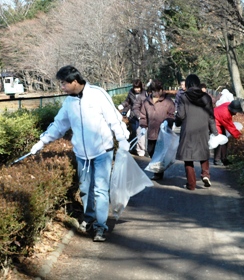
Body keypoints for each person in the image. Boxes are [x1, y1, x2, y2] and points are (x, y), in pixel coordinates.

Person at [30, 65, 130, 242]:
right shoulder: (69, 102)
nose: (61, 87)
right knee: (85, 188)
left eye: (63, 83)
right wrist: (43, 141)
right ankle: (89, 218)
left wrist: (122, 139)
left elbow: (113, 118)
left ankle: (100, 226)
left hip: (102, 151)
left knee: (100, 189)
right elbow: (59, 124)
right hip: (81, 153)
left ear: (74, 81)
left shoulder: (98, 94)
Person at [175, 74, 218, 190]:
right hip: (203, 130)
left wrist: (177, 122)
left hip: (188, 130)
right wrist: (215, 132)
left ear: (188, 84)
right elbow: (211, 117)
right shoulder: (207, 98)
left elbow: (180, 115)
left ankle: (191, 184)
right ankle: (205, 174)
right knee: (203, 153)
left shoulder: (184, 97)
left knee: (188, 157)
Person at [139, 79, 175, 180]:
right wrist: (143, 126)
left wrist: (168, 121)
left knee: (160, 153)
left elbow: (172, 115)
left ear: (161, 90)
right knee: (151, 150)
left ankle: (158, 173)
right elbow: (143, 115)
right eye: (153, 91)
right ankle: (158, 169)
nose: (154, 93)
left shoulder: (168, 102)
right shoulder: (147, 102)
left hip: (163, 133)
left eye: (156, 91)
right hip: (151, 132)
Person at [118, 79, 148, 156]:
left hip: (142, 116)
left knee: (141, 133)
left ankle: (141, 149)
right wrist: (123, 106)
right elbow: (127, 102)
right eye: (135, 88)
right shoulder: (131, 93)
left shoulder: (145, 94)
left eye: (138, 88)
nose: (137, 89)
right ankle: (133, 148)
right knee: (134, 133)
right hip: (133, 116)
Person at [213, 100, 243, 166]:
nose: (236, 113)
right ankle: (217, 160)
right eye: (235, 111)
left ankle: (224, 159)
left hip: (218, 119)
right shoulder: (225, 114)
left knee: (225, 140)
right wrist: (240, 137)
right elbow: (230, 128)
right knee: (220, 140)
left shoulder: (228, 104)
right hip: (214, 122)